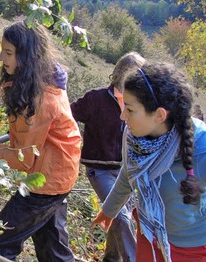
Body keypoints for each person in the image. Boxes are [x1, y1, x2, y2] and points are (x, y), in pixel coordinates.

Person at [92, 62, 206, 262]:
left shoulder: (204, 150)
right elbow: (129, 172)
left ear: (159, 115)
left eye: (130, 109)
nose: (122, 115)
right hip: (150, 229)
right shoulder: (134, 134)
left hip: (192, 246)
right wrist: (109, 210)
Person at [0, 20, 82, 261]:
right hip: (60, 172)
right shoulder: (47, 76)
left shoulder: (38, 103)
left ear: (28, 56)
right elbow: (21, 87)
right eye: (2, 49)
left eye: (9, 52)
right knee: (53, 253)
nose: (1, 56)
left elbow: (22, 158)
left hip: (46, 181)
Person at [70, 52, 145, 262]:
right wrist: (78, 140)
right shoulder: (95, 99)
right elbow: (66, 116)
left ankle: (111, 258)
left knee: (122, 217)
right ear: (119, 74)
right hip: (100, 169)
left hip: (128, 172)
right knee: (120, 215)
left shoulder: (141, 106)